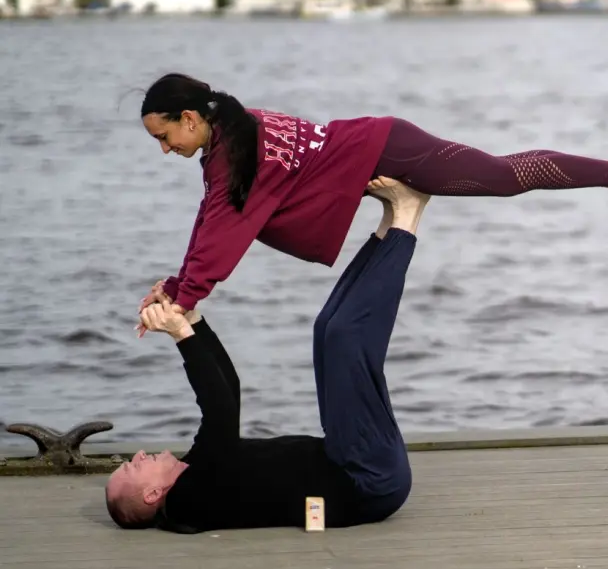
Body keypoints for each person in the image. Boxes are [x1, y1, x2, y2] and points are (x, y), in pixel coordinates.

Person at [137, 72, 608, 315]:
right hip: (378, 142)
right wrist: (178, 282)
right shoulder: (232, 133)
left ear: (188, 118)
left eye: (164, 137)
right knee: (501, 176)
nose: (164, 149)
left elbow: (223, 230)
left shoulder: (237, 150)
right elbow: (212, 218)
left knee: (501, 177)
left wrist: (185, 296)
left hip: (388, 148)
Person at [106, 176, 430, 532]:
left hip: (348, 457)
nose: (136, 456)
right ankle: (408, 214)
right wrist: (180, 335)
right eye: (132, 467)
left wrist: (191, 319)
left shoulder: (198, 470)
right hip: (367, 480)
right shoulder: (189, 502)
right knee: (345, 337)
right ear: (153, 494)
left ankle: (391, 221)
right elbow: (221, 413)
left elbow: (229, 390)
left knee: (327, 329)